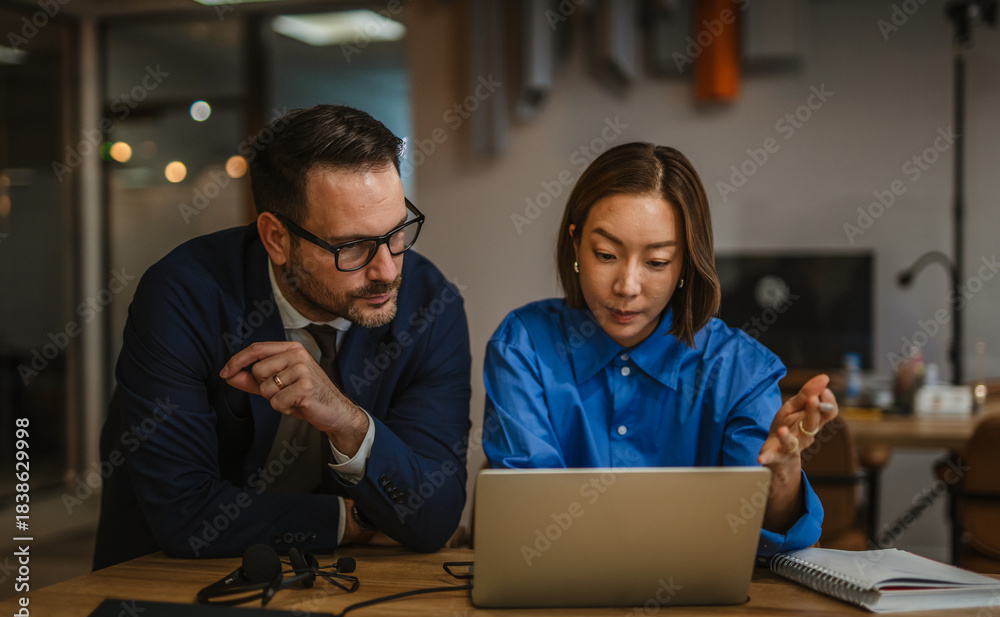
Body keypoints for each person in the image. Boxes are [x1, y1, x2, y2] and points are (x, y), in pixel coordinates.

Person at [94, 105, 471, 570]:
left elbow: (434, 516)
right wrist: (352, 521)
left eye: (397, 231)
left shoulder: (431, 306)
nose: (387, 270)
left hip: (352, 585)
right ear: (276, 237)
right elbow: (184, 514)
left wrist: (349, 424)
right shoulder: (184, 295)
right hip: (163, 585)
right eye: (351, 246)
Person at [483, 142, 833, 557]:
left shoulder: (740, 371)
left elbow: (761, 540)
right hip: (558, 611)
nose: (627, 286)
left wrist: (783, 475)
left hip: (702, 613)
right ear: (576, 244)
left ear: (686, 262)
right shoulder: (524, 348)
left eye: (657, 262)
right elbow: (531, 519)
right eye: (606, 254)